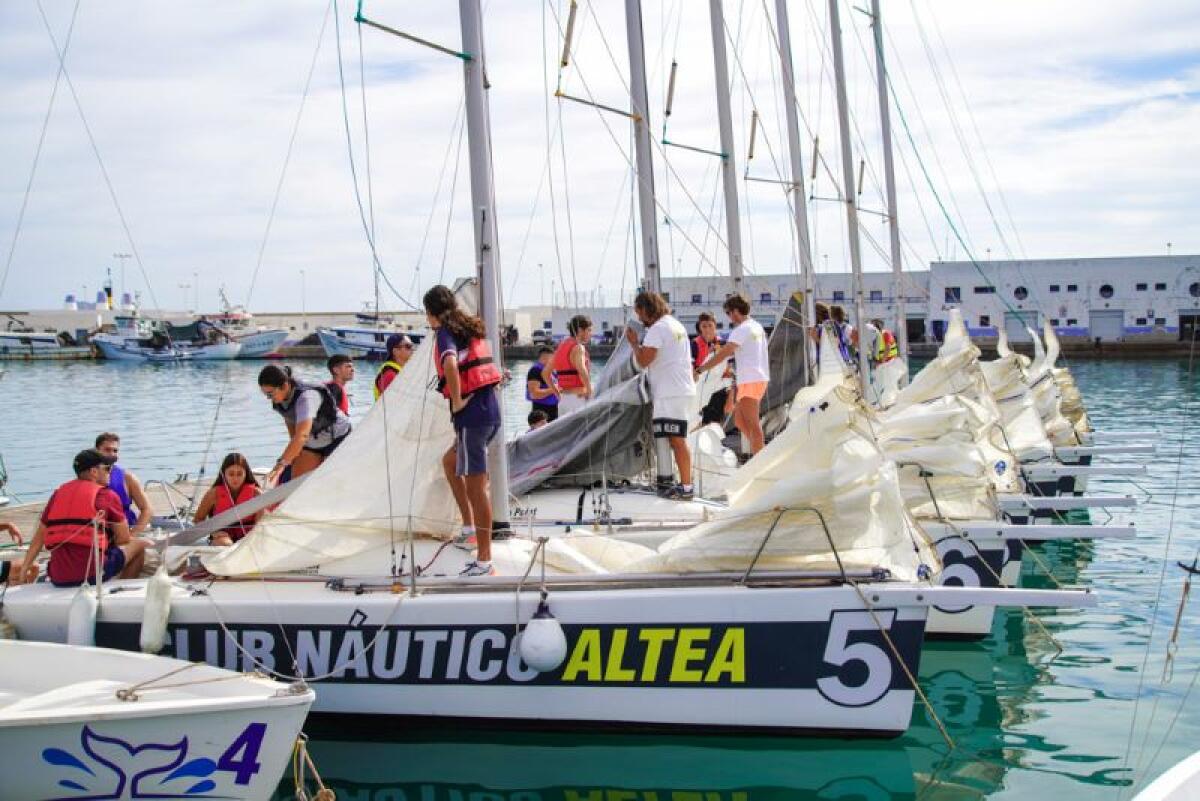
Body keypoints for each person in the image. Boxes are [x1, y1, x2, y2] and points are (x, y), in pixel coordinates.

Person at [424, 285, 504, 577]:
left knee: (476, 488)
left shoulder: (445, 332)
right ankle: (469, 527)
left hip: (472, 418)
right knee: (450, 462)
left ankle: (484, 560)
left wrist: (457, 402)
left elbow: (450, 364)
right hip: (488, 414)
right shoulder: (468, 328)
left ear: (431, 312)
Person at [17, 449, 148, 587]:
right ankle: (120, 588)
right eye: (107, 468)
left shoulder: (57, 495)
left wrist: (25, 568)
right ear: (93, 472)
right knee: (139, 545)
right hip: (92, 575)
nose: (111, 472)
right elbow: (124, 539)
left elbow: (39, 537)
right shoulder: (107, 496)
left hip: (58, 576)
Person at [625, 291, 696, 499]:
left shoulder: (658, 329)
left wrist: (634, 343)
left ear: (647, 309)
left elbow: (644, 361)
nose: (639, 319)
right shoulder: (675, 324)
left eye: (640, 313)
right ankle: (677, 483)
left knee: (677, 439)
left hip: (670, 392)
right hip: (679, 389)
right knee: (674, 438)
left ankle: (686, 487)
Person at [697, 294, 770, 455]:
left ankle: (760, 459)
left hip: (751, 379)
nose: (729, 317)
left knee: (752, 424)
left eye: (729, 313)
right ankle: (757, 452)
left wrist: (701, 369)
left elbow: (724, 354)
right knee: (739, 421)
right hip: (755, 378)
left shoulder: (742, 329)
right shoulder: (756, 326)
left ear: (735, 311)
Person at [259, 364, 352, 485]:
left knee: (332, 483)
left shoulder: (307, 397)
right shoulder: (280, 400)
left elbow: (302, 436)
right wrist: (292, 457)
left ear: (285, 385)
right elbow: (294, 434)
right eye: (266, 394)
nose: (268, 398)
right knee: (295, 485)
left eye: (270, 394)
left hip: (338, 437)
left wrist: (280, 464)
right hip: (312, 441)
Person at [192, 453, 263, 546]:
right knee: (225, 544)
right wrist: (214, 533)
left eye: (239, 474)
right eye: (231, 474)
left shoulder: (257, 494)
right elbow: (198, 519)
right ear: (224, 474)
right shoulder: (213, 494)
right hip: (222, 536)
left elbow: (261, 524)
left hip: (250, 536)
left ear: (246, 473)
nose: (235, 478)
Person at [95, 432, 153, 535]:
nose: (112, 454)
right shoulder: (88, 477)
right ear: (96, 451)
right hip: (97, 531)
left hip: (124, 531)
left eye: (115, 450)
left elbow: (147, 509)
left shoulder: (128, 478)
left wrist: (133, 535)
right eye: (107, 450)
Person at [552, 315, 593, 415]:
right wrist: (589, 391)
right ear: (580, 330)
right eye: (589, 330)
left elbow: (545, 373)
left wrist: (556, 393)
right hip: (577, 400)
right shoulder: (578, 347)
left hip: (563, 401)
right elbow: (581, 369)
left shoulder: (561, 347)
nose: (591, 334)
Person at [525, 346, 560, 422]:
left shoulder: (552, 371)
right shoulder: (535, 371)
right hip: (541, 413)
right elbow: (534, 394)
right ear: (544, 358)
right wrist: (555, 389)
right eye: (552, 358)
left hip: (554, 410)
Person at [374, 333, 414, 400]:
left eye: (411, 346)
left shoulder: (398, 372)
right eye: (408, 346)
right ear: (395, 351)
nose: (412, 349)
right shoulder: (390, 375)